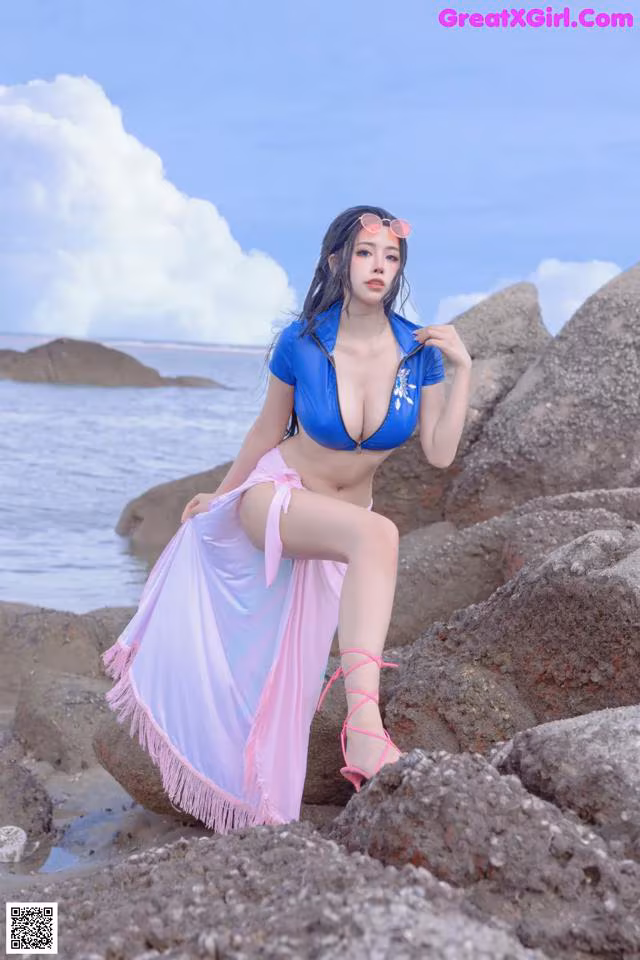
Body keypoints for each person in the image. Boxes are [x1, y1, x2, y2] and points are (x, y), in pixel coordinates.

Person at [102, 204, 472, 835]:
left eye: (391, 256)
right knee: (379, 534)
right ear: (336, 261)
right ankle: (365, 731)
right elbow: (266, 430)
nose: (379, 267)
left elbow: (440, 453)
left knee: (287, 686)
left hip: (339, 526)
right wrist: (220, 496)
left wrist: (462, 368)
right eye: (364, 253)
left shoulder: (420, 350)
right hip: (277, 495)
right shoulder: (301, 340)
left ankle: (258, 812)